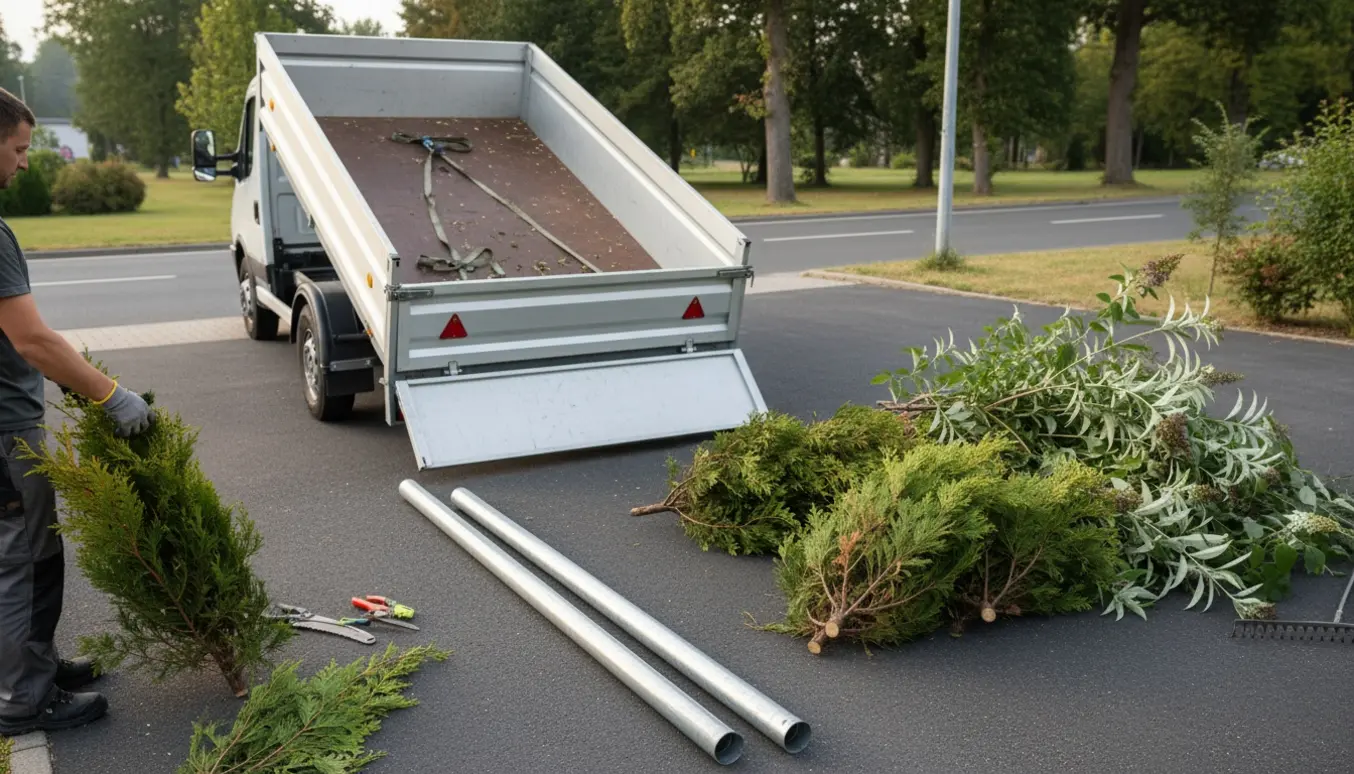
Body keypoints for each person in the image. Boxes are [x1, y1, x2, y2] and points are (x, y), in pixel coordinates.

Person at [0, 88, 154, 736]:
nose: (25, 162)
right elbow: (31, 338)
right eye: (17, 148)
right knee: (27, 564)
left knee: (28, 560)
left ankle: (34, 665)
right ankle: (24, 699)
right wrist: (108, 395)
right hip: (7, 435)